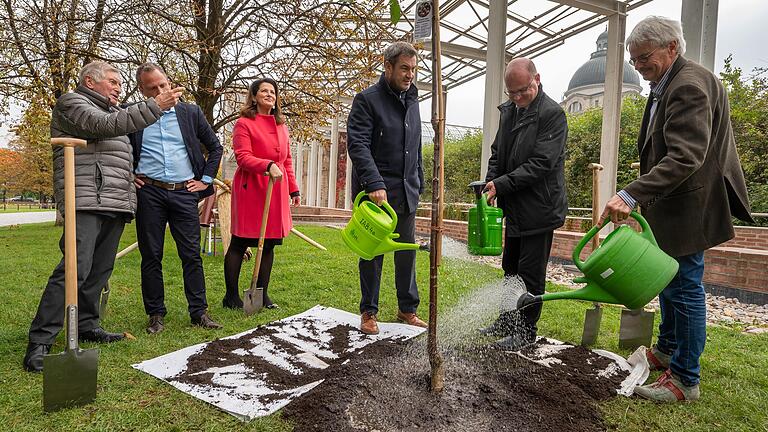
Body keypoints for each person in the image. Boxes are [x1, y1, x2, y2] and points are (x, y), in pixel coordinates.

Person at [599, 16, 752, 402]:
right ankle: (667, 351)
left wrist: (631, 193)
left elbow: (686, 157)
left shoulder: (688, 86)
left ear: (672, 47)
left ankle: (685, 379)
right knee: (667, 279)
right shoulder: (666, 82)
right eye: (633, 60)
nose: (638, 66)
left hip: (689, 205)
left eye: (643, 57)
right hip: (674, 204)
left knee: (684, 287)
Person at [23, 61, 182, 372]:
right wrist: (154, 106)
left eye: (121, 83)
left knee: (99, 270)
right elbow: (101, 128)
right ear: (90, 81)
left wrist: (129, 177)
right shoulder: (73, 103)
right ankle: (40, 341)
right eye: (112, 81)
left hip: (113, 200)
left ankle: (86, 324)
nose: (119, 87)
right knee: (74, 268)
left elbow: (113, 148)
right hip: (84, 198)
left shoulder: (115, 113)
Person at [479, 58, 568, 350]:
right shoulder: (509, 112)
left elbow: (541, 164)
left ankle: (526, 331)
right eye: (511, 93)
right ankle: (506, 320)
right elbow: (497, 153)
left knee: (530, 274)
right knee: (510, 268)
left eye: (523, 91)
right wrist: (492, 183)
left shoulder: (552, 114)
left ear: (537, 79)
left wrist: (502, 184)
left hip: (539, 207)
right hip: (515, 205)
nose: (517, 98)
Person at [130, 63, 223, 334]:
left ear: (170, 83)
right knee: (151, 255)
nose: (161, 90)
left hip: (184, 192)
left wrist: (205, 179)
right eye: (153, 88)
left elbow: (215, 147)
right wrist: (128, 174)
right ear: (142, 90)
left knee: (191, 254)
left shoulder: (190, 112)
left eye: (163, 84)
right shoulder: (134, 116)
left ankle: (199, 312)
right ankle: (156, 314)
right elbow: (119, 149)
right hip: (149, 192)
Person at [346, 41, 427, 335]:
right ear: (388, 66)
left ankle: (408, 309)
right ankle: (369, 312)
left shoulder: (413, 100)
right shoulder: (367, 100)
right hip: (377, 195)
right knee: (372, 254)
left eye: (414, 69)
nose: (410, 75)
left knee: (407, 251)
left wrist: (420, 180)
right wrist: (374, 183)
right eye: (404, 68)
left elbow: (416, 147)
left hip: (407, 191)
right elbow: (358, 145)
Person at [223, 78, 300, 309]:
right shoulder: (244, 124)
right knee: (240, 242)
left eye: (273, 92)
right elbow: (242, 156)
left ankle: (262, 295)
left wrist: (293, 188)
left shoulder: (282, 126)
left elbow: (286, 160)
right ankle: (231, 297)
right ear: (254, 97)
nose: (269, 94)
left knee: (268, 244)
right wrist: (267, 165)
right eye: (264, 91)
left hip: (275, 191)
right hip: (251, 189)